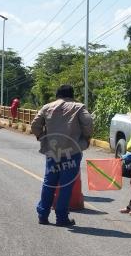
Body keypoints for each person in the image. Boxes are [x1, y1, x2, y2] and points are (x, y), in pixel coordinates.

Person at [31, 85, 93, 226]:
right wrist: (86, 138)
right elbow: (88, 123)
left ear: (58, 95)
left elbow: (35, 125)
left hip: (53, 152)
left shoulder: (47, 107)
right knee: (66, 185)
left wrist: (41, 136)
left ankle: (43, 215)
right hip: (73, 151)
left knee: (49, 183)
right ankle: (61, 218)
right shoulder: (78, 107)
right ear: (71, 95)